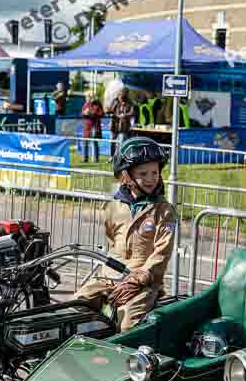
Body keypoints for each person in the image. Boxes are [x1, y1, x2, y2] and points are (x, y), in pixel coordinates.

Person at [73, 137, 177, 332]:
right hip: (109, 276)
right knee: (75, 307)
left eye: (154, 172)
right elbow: (112, 240)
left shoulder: (164, 211)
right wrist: (109, 275)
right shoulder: (114, 206)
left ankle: (134, 360)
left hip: (143, 280)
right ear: (126, 177)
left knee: (127, 323)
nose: (150, 178)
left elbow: (162, 253)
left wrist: (139, 279)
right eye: (143, 173)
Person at [108, 88, 134, 156]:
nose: (120, 96)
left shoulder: (130, 102)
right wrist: (114, 115)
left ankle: (120, 156)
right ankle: (112, 156)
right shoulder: (115, 101)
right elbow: (110, 111)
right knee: (112, 141)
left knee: (122, 142)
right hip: (114, 124)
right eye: (119, 94)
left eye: (122, 94)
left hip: (124, 125)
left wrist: (125, 115)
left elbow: (132, 112)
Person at [81, 91, 104, 163]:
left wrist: (91, 113)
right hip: (87, 126)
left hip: (95, 126)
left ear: (91, 97)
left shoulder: (97, 104)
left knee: (94, 142)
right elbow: (82, 114)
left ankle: (95, 159)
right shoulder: (85, 104)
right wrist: (84, 113)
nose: (87, 98)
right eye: (86, 97)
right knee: (85, 142)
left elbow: (101, 114)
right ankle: (84, 159)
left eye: (88, 97)